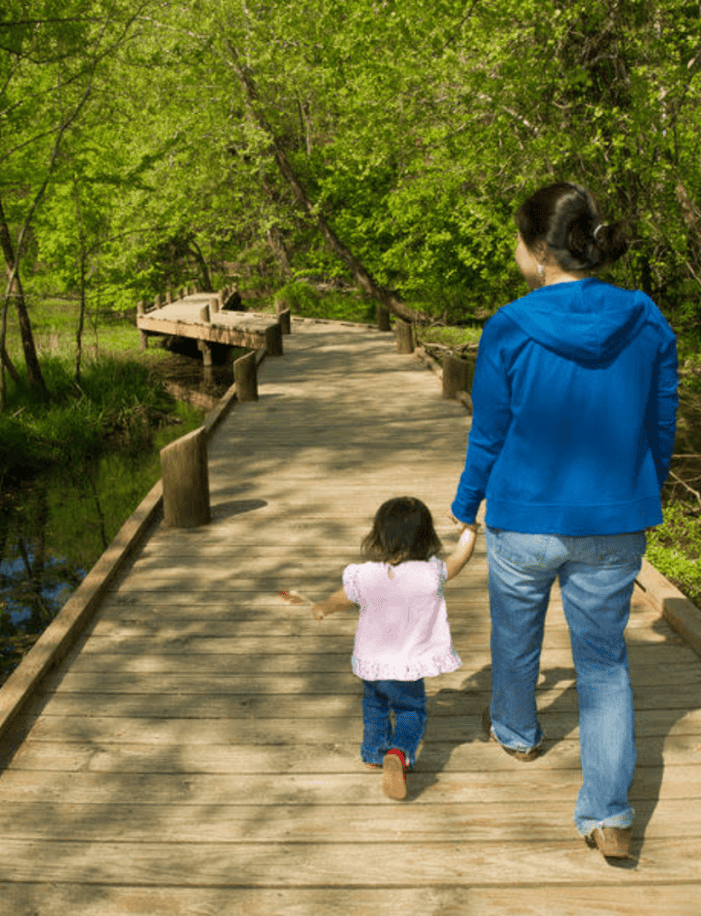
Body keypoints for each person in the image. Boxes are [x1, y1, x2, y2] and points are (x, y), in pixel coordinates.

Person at [450, 181, 678, 860]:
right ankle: (609, 814)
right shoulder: (646, 319)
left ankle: (517, 734)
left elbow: (487, 433)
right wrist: (642, 492)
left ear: (537, 250)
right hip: (614, 524)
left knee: (514, 636)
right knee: (604, 664)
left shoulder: (510, 327)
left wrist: (466, 509)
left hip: (522, 519)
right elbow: (659, 423)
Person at [282, 497, 478, 800]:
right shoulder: (430, 574)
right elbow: (460, 558)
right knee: (411, 711)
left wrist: (324, 606)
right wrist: (469, 530)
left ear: (378, 537)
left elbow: (342, 597)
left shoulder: (366, 575)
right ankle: (399, 754)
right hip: (407, 667)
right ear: (426, 539)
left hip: (372, 665)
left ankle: (374, 753)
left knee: (374, 706)